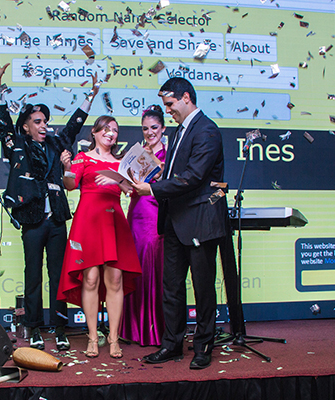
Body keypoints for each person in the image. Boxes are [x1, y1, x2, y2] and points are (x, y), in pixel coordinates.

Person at [0, 52, 100, 351]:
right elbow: (3, 124)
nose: (44, 125)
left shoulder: (56, 145)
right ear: (26, 127)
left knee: (58, 276)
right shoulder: (18, 145)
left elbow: (73, 126)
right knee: (33, 276)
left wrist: (91, 96)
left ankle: (59, 329)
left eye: (45, 120)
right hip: (33, 220)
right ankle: (34, 328)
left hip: (57, 220)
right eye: (37, 121)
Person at [132, 77, 227, 369]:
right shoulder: (178, 131)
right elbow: (176, 174)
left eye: (170, 103)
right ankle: (172, 344)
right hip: (173, 221)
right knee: (171, 288)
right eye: (165, 105)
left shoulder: (207, 130)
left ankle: (203, 347)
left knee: (203, 288)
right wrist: (152, 176)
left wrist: (152, 189)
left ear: (186, 97)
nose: (168, 110)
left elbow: (195, 177)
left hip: (199, 222)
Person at [58, 116, 142, 359]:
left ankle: (114, 339)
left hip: (113, 221)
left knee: (115, 279)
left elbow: (132, 190)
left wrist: (117, 178)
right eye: (105, 128)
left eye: (114, 130)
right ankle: (93, 337)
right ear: (94, 132)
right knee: (91, 279)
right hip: (88, 222)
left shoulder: (122, 162)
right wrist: (66, 167)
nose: (110, 133)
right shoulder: (82, 158)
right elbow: (70, 185)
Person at [120, 105, 167, 346]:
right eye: (145, 129)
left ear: (163, 128)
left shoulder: (169, 154)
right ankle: (132, 328)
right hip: (136, 211)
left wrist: (154, 165)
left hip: (156, 213)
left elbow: (170, 182)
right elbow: (127, 183)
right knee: (135, 267)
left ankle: (155, 330)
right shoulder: (136, 153)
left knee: (154, 267)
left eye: (154, 127)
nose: (150, 133)